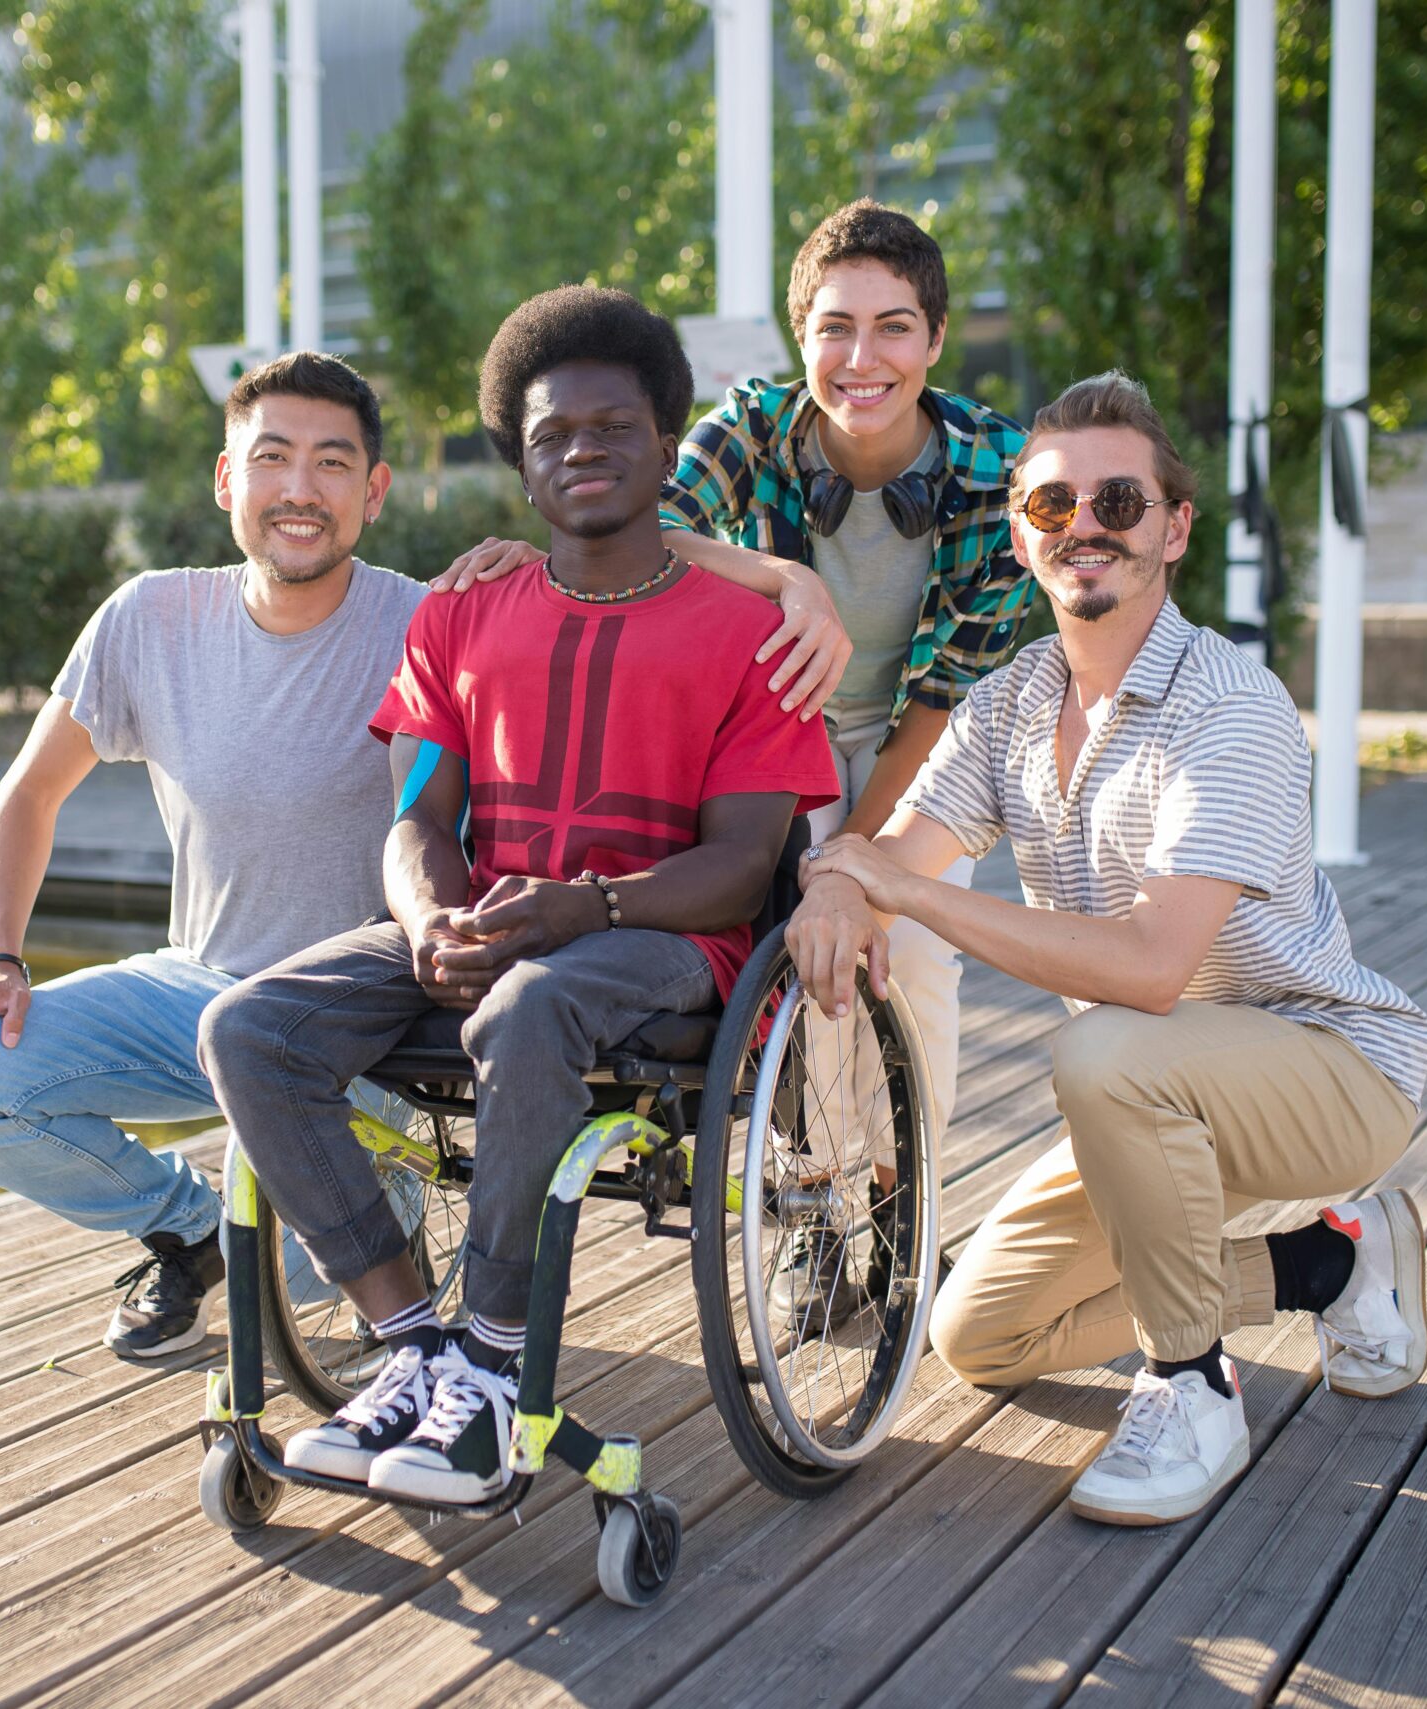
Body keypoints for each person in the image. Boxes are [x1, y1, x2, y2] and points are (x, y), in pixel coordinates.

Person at [199, 287, 841, 1505]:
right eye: (553, 435)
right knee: (246, 1028)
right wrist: (430, 914)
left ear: (666, 444)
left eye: (613, 428)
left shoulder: (751, 634)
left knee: (532, 1003)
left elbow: (743, 869)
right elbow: (420, 820)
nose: (582, 451)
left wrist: (582, 909)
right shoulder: (457, 617)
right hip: (491, 922)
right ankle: (412, 1343)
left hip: (664, 941)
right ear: (520, 461)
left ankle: (491, 1369)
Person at [784, 371, 1427, 1527]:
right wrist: (844, 886)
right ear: (1023, 536)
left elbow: (1147, 969)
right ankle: (1330, 1264)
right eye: (1050, 506)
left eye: (1119, 502)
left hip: (1328, 1067)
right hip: (1153, 1091)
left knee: (1106, 1053)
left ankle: (1190, 1386)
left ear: (1173, 527)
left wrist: (900, 892)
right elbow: (899, 851)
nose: (1084, 525)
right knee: (980, 1333)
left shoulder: (1228, 704)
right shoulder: (1007, 706)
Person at [440, 200, 1031, 1323]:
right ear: (796, 333)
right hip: (767, 730)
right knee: (791, 962)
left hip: (921, 735)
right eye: (835, 327)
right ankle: (809, 1208)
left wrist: (859, 861)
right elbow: (635, 524)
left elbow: (944, 696)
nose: (863, 359)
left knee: (908, 959)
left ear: (936, 340)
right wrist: (783, 579)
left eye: (894, 328)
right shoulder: (751, 426)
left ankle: (903, 1214)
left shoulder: (995, 472)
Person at [0, 352, 417, 1360]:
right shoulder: (151, 617)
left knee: (311, 1271)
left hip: (366, 1019)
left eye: (330, 462)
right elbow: (30, 792)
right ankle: (184, 1227)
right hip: (200, 989)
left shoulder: (426, 622)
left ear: (375, 490)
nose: (299, 490)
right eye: (271, 459)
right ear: (227, 481)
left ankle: (342, 1233)